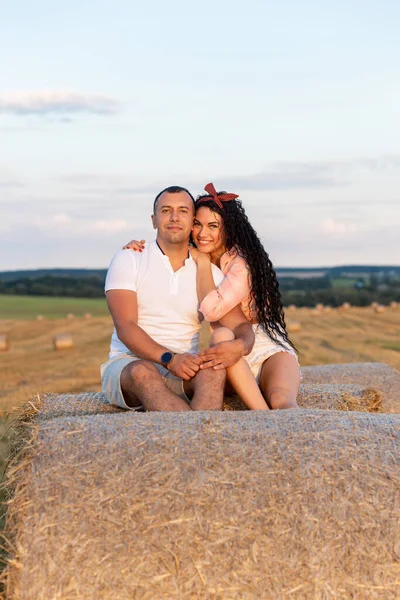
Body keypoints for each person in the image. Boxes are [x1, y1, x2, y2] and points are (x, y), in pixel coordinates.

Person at [123, 182, 300, 410]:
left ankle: (283, 430)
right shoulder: (189, 256)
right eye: (197, 224)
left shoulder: (240, 264)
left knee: (281, 401)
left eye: (213, 226)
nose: (203, 233)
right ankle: (263, 420)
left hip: (264, 346)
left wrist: (204, 262)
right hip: (227, 355)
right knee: (222, 336)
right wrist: (138, 245)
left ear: (228, 229)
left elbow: (213, 309)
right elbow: (165, 243)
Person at [101, 185, 255, 412]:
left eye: (183, 211)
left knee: (214, 370)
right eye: (166, 211)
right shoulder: (129, 260)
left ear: (193, 221)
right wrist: (170, 359)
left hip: (184, 368)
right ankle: (194, 436)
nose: (174, 217)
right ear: (154, 220)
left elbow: (241, 325)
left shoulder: (209, 274)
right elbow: (126, 327)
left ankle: (198, 436)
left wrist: (240, 346)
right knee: (144, 372)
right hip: (129, 365)